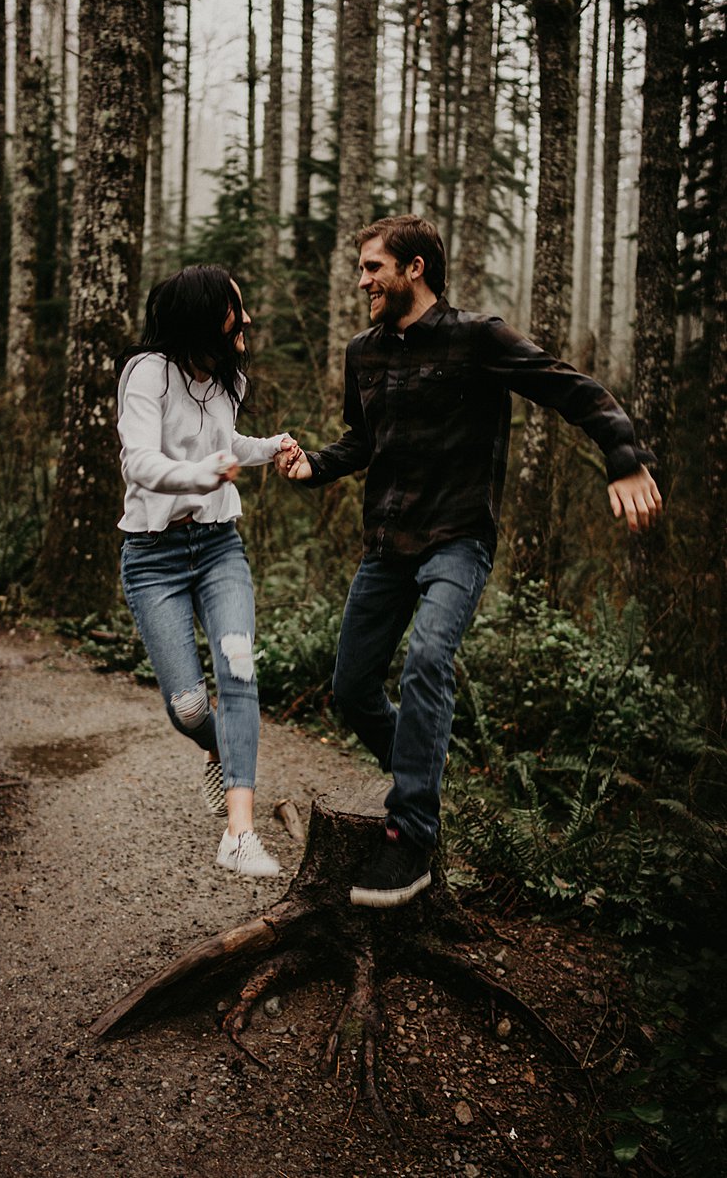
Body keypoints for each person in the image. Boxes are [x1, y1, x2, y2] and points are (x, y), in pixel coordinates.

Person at [276, 214, 662, 909]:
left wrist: (623, 456)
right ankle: (419, 771)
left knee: (428, 659)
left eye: (372, 267)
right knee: (351, 688)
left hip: (458, 536)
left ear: (414, 267)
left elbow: (568, 385)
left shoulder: (476, 337)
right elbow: (361, 442)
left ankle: (412, 838)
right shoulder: (363, 351)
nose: (361, 280)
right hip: (386, 545)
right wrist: (315, 465)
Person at [116, 264, 299, 878]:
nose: (245, 320)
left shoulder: (226, 380)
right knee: (190, 707)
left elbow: (227, 443)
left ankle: (239, 836)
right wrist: (202, 476)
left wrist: (269, 447)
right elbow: (141, 461)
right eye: (233, 309)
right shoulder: (147, 374)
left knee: (239, 671)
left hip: (221, 549)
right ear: (201, 315)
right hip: (155, 557)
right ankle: (220, 750)